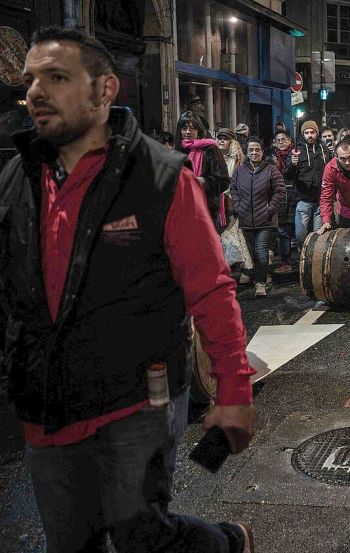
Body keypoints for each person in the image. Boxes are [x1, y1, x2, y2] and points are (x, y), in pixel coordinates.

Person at [4, 27, 255, 552]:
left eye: (56, 77)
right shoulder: (14, 178)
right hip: (47, 405)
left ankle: (224, 544)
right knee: (70, 542)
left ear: (105, 90)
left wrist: (234, 392)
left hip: (136, 400)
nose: (34, 92)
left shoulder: (161, 177)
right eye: (30, 79)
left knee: (142, 535)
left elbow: (210, 290)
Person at [231, 137, 286, 296]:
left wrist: (271, 207)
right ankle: (260, 276)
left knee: (261, 251)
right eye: (251, 150)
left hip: (266, 219)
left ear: (262, 152)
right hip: (246, 218)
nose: (254, 152)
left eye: (257, 150)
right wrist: (238, 206)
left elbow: (280, 190)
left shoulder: (271, 169)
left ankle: (260, 284)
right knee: (251, 252)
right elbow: (233, 189)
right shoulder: (240, 170)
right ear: (247, 152)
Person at [176, 110, 229, 232]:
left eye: (192, 128)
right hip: (183, 210)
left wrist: (202, 181)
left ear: (199, 130)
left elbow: (223, 180)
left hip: (206, 210)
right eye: (184, 128)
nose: (188, 132)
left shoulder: (210, 149)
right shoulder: (178, 150)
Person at [284, 120, 328, 247]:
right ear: (303, 134)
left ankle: (314, 259)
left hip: (321, 199)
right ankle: (303, 253)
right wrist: (292, 164)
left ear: (317, 133)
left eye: (312, 132)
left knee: (318, 235)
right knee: (300, 234)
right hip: (303, 198)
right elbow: (288, 175)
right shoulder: (296, 150)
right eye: (307, 132)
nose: (310, 135)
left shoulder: (323, 149)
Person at [269, 131, 297, 274]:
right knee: (283, 230)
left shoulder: (296, 153)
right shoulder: (272, 157)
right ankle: (286, 262)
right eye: (278, 140)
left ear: (289, 140)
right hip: (280, 195)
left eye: (283, 139)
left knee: (298, 230)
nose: (281, 142)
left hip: (295, 194)